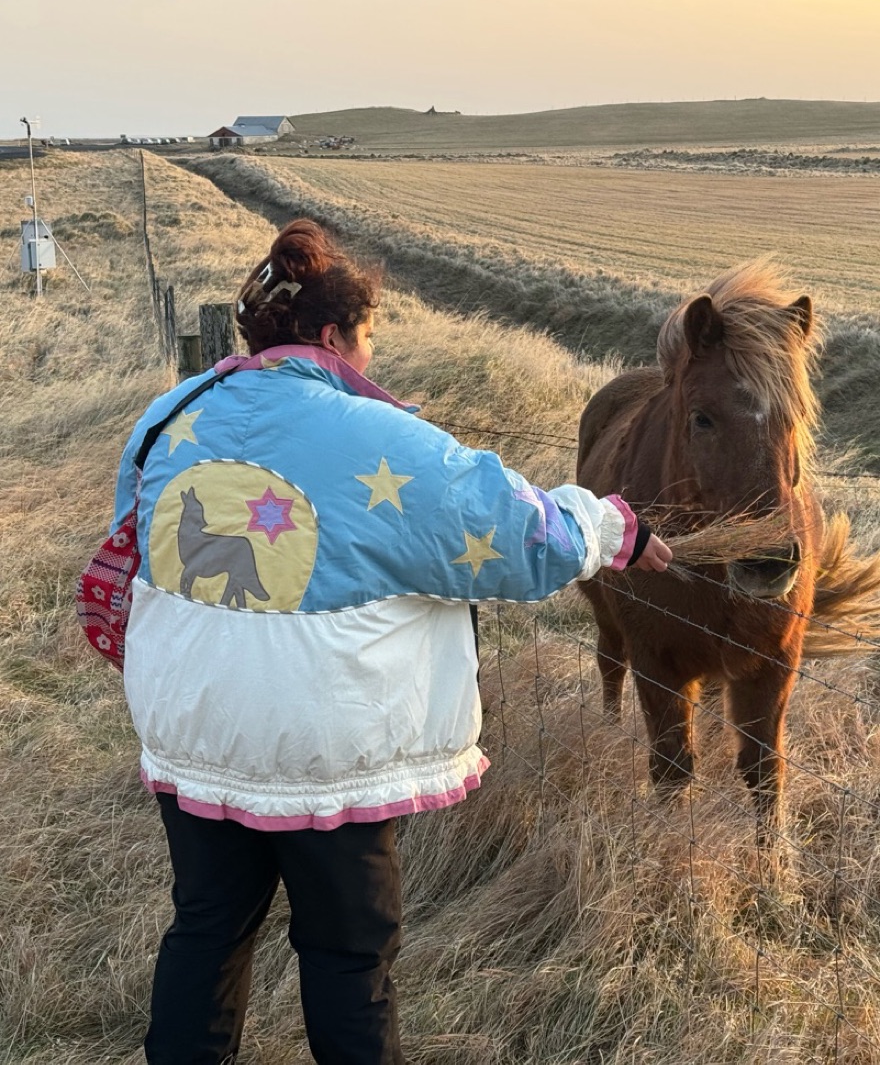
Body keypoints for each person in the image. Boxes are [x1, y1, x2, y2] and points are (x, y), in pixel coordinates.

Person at [112, 219, 672, 1065]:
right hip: (325, 747)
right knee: (349, 956)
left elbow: (137, 538)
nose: (371, 355)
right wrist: (611, 526)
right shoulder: (381, 440)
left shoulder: (172, 415)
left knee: (206, 928)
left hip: (193, 728)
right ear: (334, 336)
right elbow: (519, 536)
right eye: (368, 335)